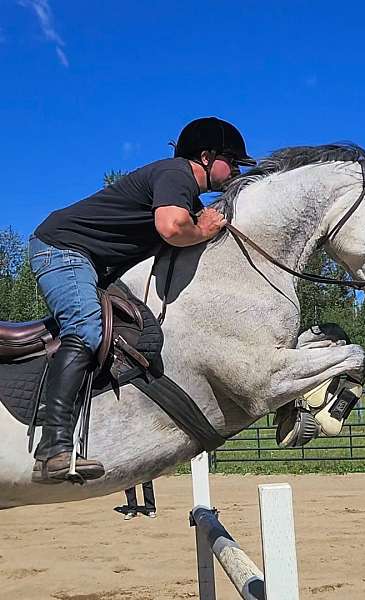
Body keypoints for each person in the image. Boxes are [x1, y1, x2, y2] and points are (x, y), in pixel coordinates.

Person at [29, 117, 256, 484]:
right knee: (87, 330)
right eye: (231, 159)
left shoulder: (183, 191)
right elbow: (172, 228)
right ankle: (54, 449)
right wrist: (205, 228)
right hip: (61, 250)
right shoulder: (176, 174)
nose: (234, 170)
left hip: (88, 262)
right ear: (205, 156)